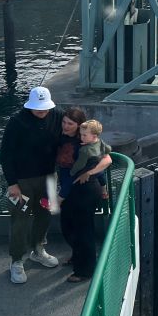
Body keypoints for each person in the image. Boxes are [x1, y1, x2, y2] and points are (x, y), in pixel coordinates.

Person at [0, 86, 63, 284]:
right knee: (21, 218)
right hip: (22, 182)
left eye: (45, 108)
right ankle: (16, 260)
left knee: (45, 214)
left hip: (49, 179)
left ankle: (39, 248)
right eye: (38, 108)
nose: (42, 112)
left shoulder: (57, 115)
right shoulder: (16, 122)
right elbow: (6, 155)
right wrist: (12, 183)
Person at [56, 109, 111, 268]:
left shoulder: (85, 145)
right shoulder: (77, 140)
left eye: (70, 124)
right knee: (68, 227)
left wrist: (61, 195)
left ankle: (85, 269)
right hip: (74, 190)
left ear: (79, 125)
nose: (65, 126)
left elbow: (107, 159)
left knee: (83, 230)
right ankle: (78, 255)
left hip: (84, 190)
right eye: (64, 122)